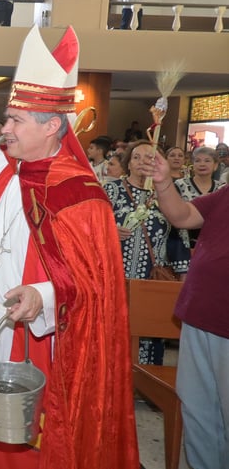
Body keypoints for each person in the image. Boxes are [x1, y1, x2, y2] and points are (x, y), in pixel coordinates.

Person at [0, 27, 138, 468]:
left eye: (15, 121)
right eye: (7, 120)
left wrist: (42, 294)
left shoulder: (80, 195)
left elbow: (96, 286)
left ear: (51, 126)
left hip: (34, 336)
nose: (4, 129)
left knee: (23, 443)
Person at [149, 151, 229, 469]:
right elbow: (182, 216)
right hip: (199, 315)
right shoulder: (225, 196)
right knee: (198, 408)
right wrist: (164, 182)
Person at [105, 140, 170, 365]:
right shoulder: (111, 190)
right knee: (112, 326)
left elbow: (179, 236)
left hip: (152, 278)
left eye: (150, 158)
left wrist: (184, 274)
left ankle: (146, 383)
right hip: (114, 277)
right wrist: (109, 231)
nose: (143, 162)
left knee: (149, 329)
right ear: (128, 164)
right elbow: (90, 226)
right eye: (136, 157)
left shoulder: (168, 194)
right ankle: (113, 381)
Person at [166, 146, 224, 278]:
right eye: (198, 160)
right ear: (192, 164)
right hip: (182, 244)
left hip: (214, 246)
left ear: (215, 165)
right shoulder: (179, 185)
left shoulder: (222, 189)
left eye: (207, 161)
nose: (202, 164)